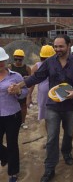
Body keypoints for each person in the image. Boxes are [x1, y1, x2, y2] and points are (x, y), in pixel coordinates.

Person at [9, 34, 73, 182]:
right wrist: (19, 85)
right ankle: (50, 168)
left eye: (61, 46)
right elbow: (36, 77)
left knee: (69, 133)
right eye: (55, 46)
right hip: (53, 105)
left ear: (68, 46)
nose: (57, 49)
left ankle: (66, 152)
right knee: (52, 137)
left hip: (71, 106)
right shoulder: (50, 62)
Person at [0, 47, 28, 182]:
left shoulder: (15, 76)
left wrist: (17, 91)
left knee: (12, 143)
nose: (0, 64)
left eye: (2, 61)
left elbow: (25, 92)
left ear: (5, 61)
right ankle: (4, 155)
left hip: (12, 115)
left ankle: (13, 172)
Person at [26, 45, 55, 136]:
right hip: (44, 96)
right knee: (48, 118)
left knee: (54, 118)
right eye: (44, 58)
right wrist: (29, 95)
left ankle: (52, 137)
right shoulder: (37, 66)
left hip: (55, 94)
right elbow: (32, 82)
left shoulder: (56, 65)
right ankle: (50, 138)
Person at [8, 49, 31, 129]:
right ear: (13, 58)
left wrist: (27, 78)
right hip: (13, 91)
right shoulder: (10, 67)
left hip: (22, 91)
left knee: (23, 106)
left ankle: (22, 122)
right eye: (16, 59)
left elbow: (31, 80)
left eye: (20, 59)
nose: (18, 61)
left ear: (23, 58)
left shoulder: (27, 68)